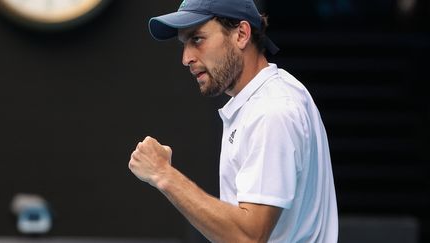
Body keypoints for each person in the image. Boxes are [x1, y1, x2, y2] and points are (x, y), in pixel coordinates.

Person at [128, 0, 338, 242]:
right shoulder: (276, 94)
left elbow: (248, 236)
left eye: (197, 39)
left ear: (241, 34)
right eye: (184, 44)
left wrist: (163, 174)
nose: (186, 58)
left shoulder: (271, 111)